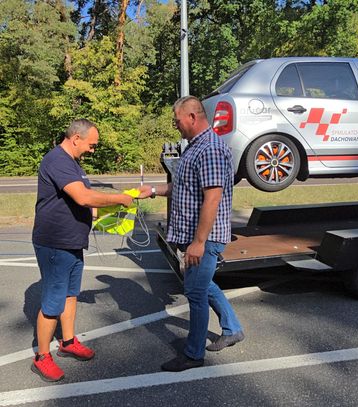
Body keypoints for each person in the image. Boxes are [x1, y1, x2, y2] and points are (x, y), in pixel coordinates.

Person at [139, 96, 244, 372]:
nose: (176, 126)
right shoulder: (194, 147)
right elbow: (181, 188)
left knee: (195, 293)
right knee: (202, 285)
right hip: (194, 237)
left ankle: (193, 354)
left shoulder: (210, 149)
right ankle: (232, 328)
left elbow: (212, 199)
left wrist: (198, 243)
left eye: (177, 120)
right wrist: (151, 191)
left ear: (192, 118)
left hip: (205, 238)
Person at [31, 119, 134, 382]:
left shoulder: (73, 164)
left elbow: (86, 199)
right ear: (76, 138)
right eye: (91, 145)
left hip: (73, 241)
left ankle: (67, 342)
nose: (92, 150)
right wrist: (120, 198)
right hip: (55, 242)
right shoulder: (57, 160)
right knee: (53, 301)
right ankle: (42, 357)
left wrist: (101, 212)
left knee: (70, 294)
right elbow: (84, 197)